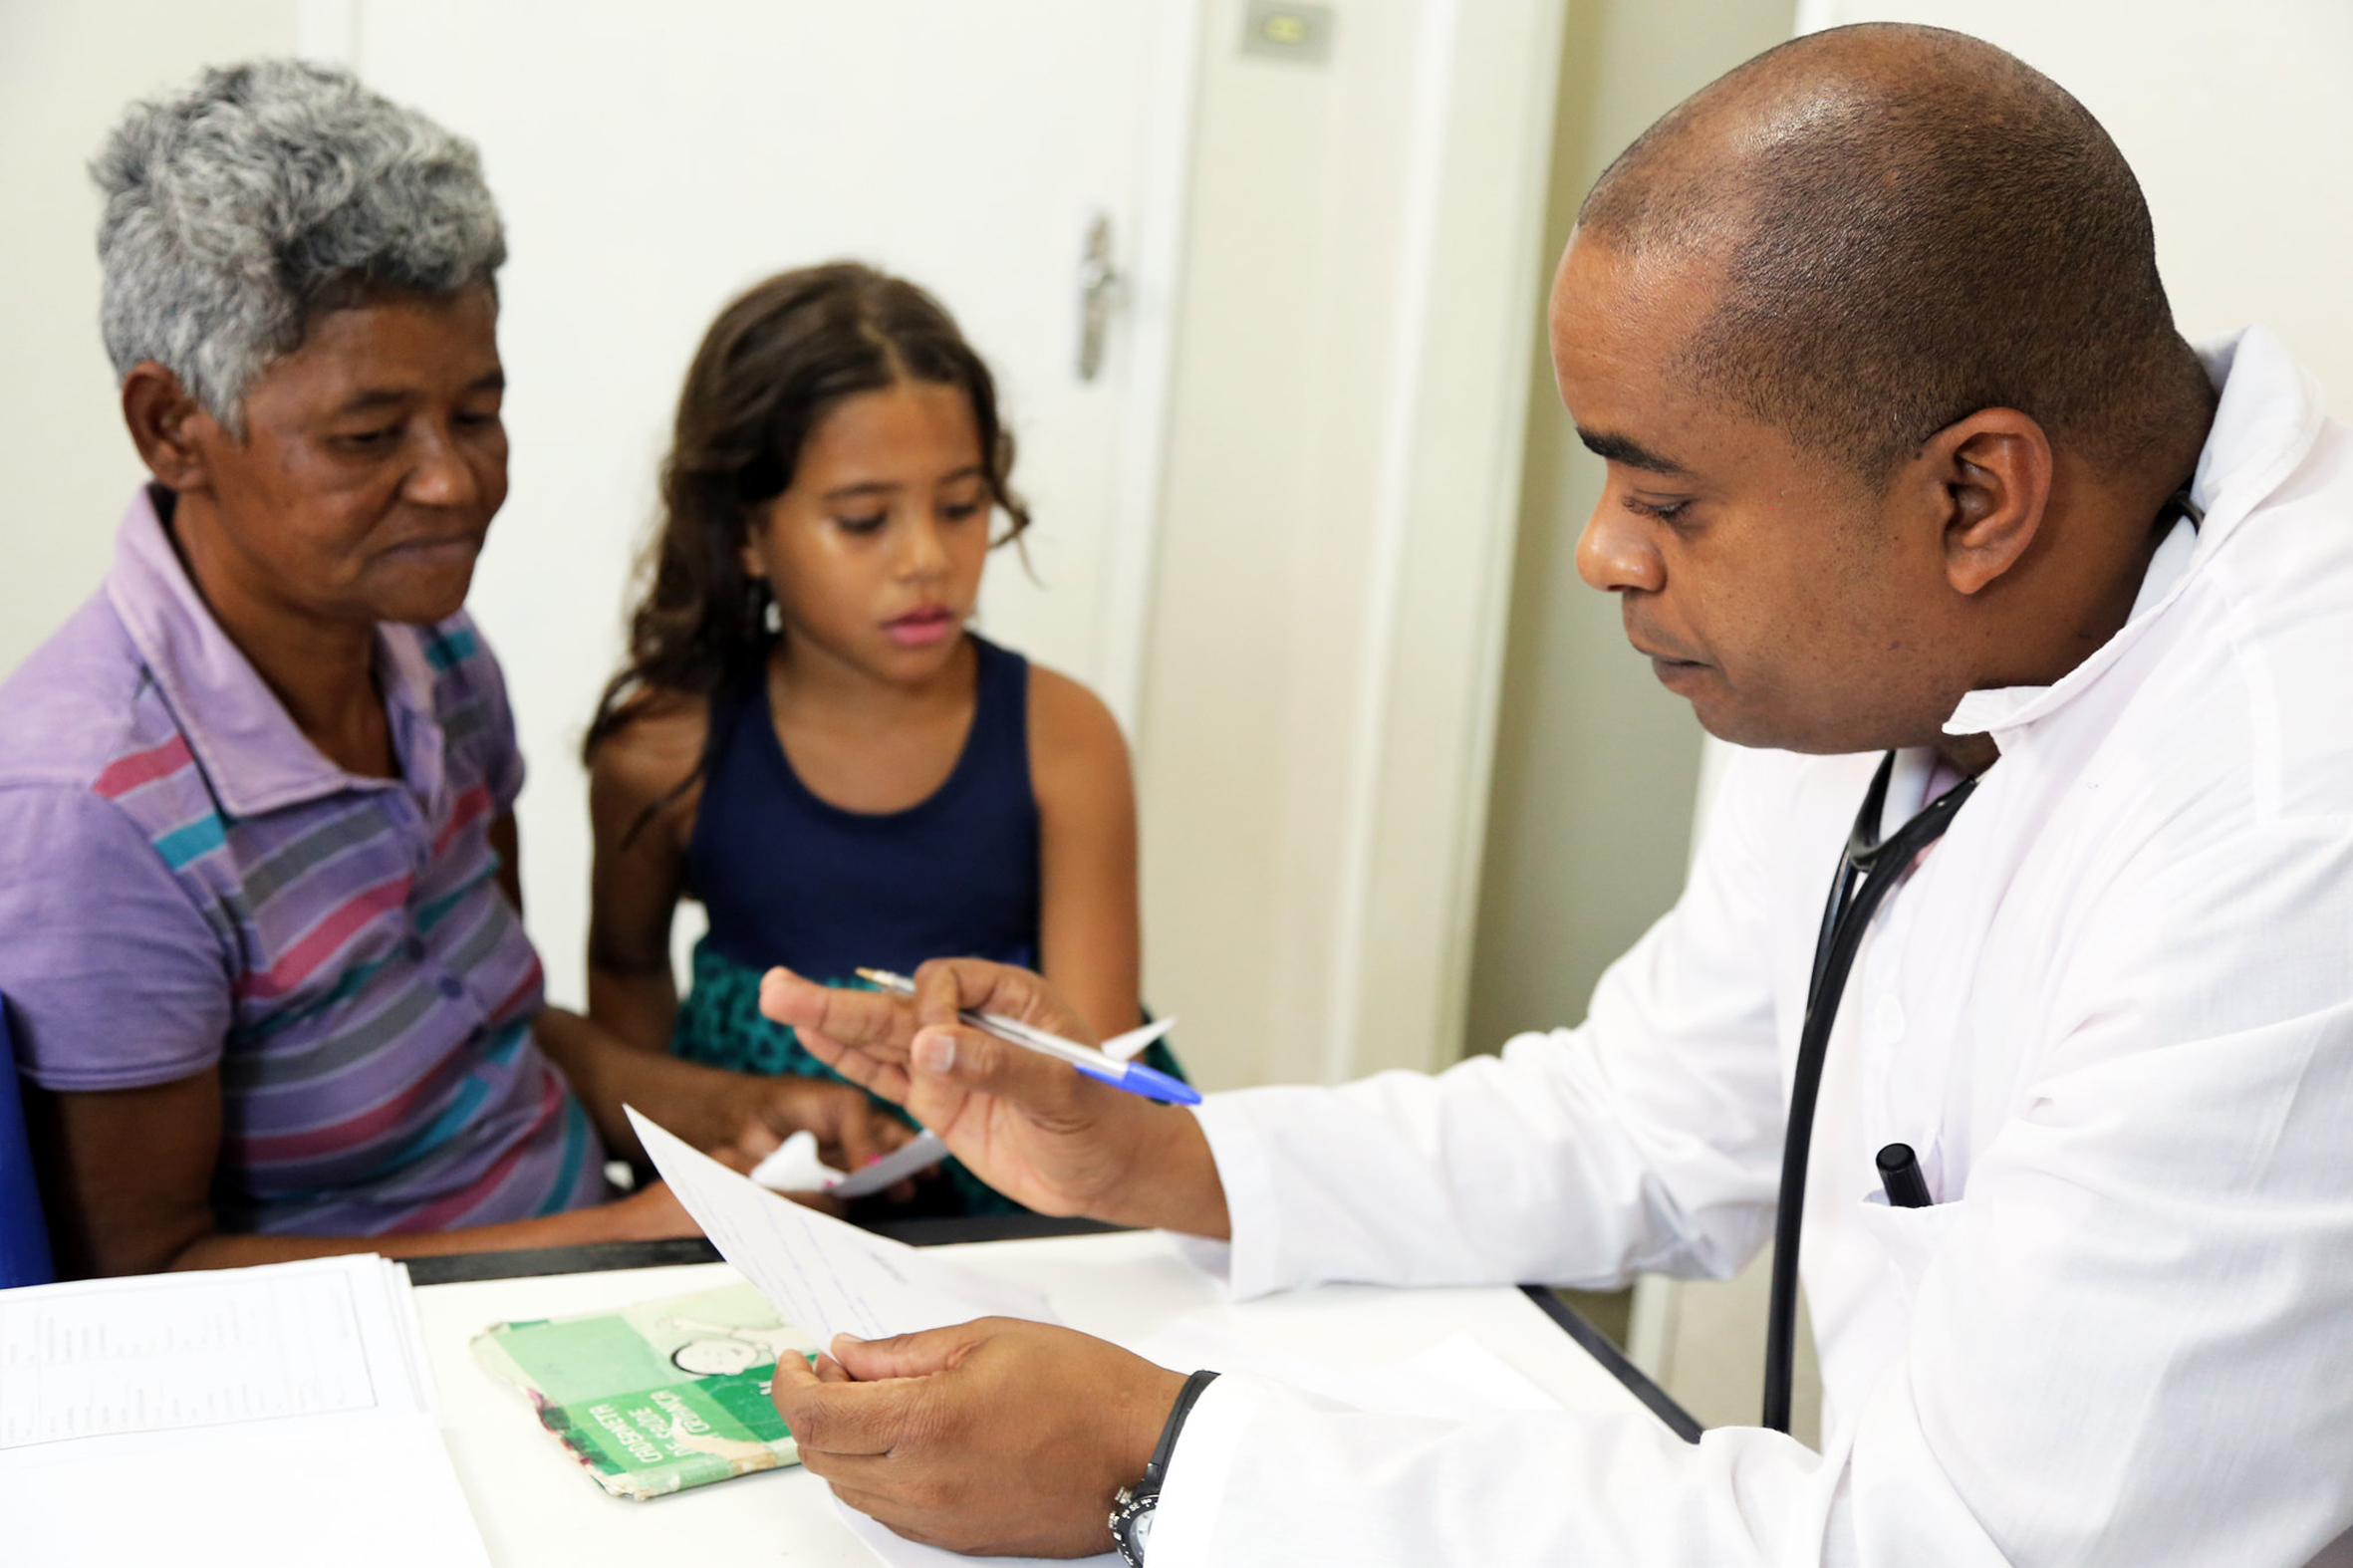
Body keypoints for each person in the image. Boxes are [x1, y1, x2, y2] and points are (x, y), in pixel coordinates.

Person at [749, 24, 2353, 1567]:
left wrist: (1159, 1460)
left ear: (1971, 494)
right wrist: (1152, 1159)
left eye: (1665, 497)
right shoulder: (1911, 659)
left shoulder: (2286, 834)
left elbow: (1960, 1551)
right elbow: (1650, 1112)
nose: (1602, 552)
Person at [0, 62, 901, 1278]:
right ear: (172, 428)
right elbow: (144, 1281)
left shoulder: (431, 646)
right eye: (369, 437)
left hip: (587, 1263)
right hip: (380, 1377)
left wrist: (721, 1110)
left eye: (477, 412)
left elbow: (495, 1032)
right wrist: (619, 1241)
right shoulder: (95, 811)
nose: (454, 481)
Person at [580, 264, 1180, 1215]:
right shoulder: (661, 750)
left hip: (1033, 1213)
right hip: (776, 1198)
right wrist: (690, 1161)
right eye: (864, 520)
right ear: (746, 533)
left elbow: (1095, 1069)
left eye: (959, 505)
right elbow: (625, 968)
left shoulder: (1064, 738)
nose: (927, 560)